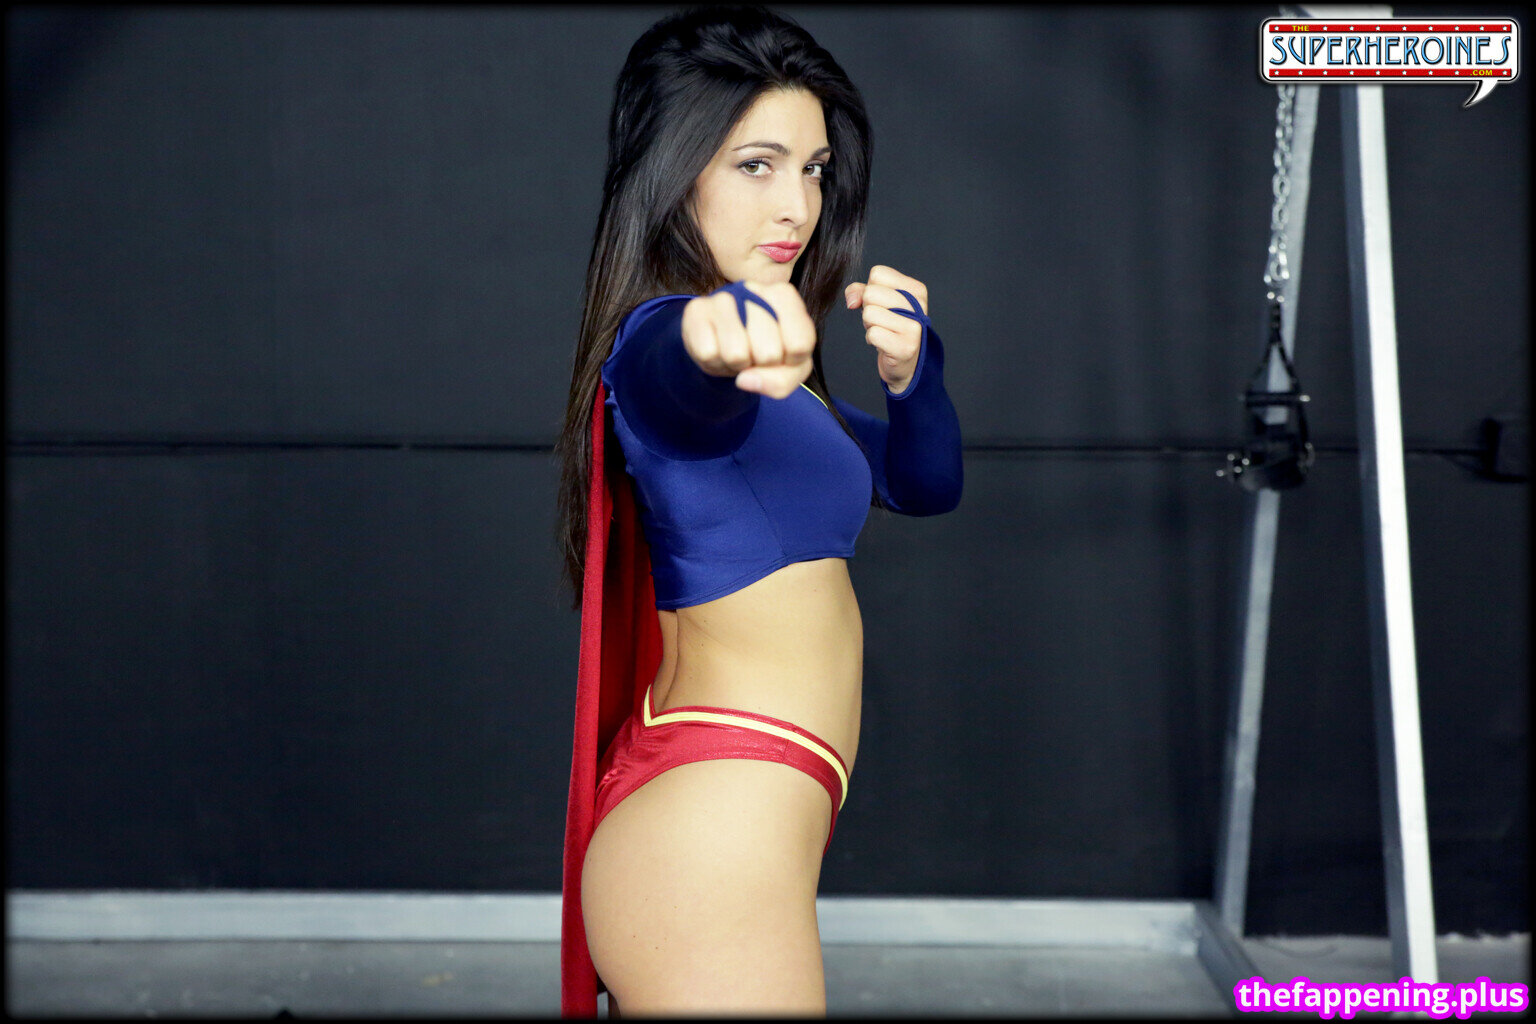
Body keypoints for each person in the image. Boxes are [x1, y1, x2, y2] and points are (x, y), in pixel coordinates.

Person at [554, 5, 962, 1016]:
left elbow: (923, 484)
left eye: (814, 169)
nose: (798, 205)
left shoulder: (796, 396)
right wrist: (716, 337)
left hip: (743, 807)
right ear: (674, 172)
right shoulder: (659, 343)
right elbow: (674, 382)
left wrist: (915, 376)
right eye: (756, 165)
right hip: (709, 829)